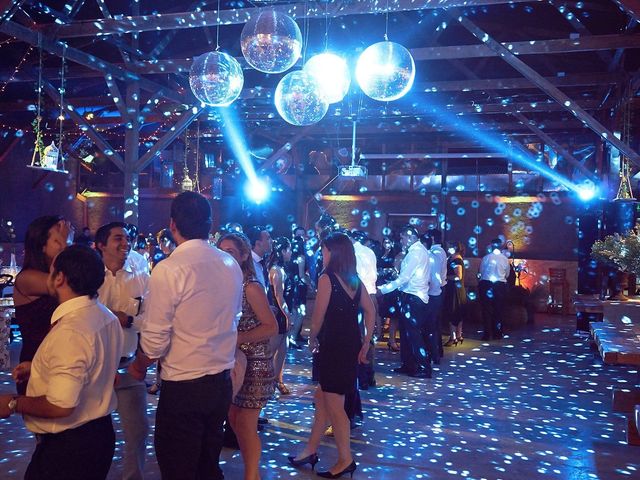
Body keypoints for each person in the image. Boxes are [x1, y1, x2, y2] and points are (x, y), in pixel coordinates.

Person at [129, 191, 243, 480]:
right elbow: (233, 316)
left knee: (179, 466)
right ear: (209, 224)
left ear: (173, 225)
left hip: (184, 387)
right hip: (220, 383)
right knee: (207, 463)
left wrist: (139, 364)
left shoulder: (169, 269)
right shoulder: (230, 265)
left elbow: (155, 340)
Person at [1, 245, 124, 480]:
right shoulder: (105, 316)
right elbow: (93, 367)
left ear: (59, 278)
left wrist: (13, 404)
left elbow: (61, 405)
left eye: (52, 269)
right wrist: (39, 369)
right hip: (99, 433)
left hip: (70, 448)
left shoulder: (72, 330)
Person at [288, 232, 375, 478]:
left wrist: (312, 337)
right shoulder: (353, 280)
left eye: (325, 250)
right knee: (323, 400)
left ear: (333, 252)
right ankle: (310, 450)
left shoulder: (327, 278)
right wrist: (366, 342)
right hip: (349, 345)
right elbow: (371, 311)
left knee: (334, 406)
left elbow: (318, 316)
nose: (322, 254)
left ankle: (345, 459)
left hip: (333, 346)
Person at [217, 232, 278, 480]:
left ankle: (252, 475)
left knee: (245, 423)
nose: (224, 255)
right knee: (233, 419)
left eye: (230, 251)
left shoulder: (250, 286)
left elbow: (271, 326)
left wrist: (237, 339)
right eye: (221, 250)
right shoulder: (222, 283)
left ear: (243, 256)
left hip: (255, 363)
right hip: (232, 361)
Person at [95, 222, 150, 480]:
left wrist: (128, 321)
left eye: (127, 238)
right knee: (92, 433)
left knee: (138, 432)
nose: (125, 243)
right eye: (118, 238)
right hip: (94, 369)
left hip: (128, 366)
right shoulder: (90, 274)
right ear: (101, 245)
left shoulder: (140, 272)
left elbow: (150, 317)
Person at [13, 215, 73, 395]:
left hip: (63, 359)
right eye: (58, 239)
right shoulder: (26, 278)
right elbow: (69, 286)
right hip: (35, 364)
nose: (65, 243)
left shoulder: (57, 272)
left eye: (67, 239)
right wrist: (66, 244)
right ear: (42, 247)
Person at [378, 225, 432, 378]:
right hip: (411, 296)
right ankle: (409, 364)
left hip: (414, 297)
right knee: (407, 333)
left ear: (411, 237)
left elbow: (404, 278)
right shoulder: (417, 251)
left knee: (413, 334)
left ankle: (423, 367)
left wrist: (383, 289)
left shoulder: (416, 253)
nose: (401, 241)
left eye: (402, 237)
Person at [350, 230, 378, 390]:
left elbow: (355, 278)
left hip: (360, 296)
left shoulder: (353, 253)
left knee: (359, 338)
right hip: (371, 294)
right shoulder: (370, 252)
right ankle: (369, 376)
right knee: (369, 336)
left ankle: (361, 378)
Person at [268, 237, 292, 395]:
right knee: (272, 349)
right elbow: (279, 296)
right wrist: (288, 315)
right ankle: (267, 382)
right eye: (289, 250)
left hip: (282, 312)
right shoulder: (276, 270)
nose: (290, 253)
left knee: (283, 348)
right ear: (283, 251)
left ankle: (278, 379)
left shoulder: (281, 269)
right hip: (278, 313)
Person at [479, 238, 510, 340]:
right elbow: (507, 274)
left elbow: (481, 272)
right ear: (500, 246)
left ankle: (487, 334)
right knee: (499, 310)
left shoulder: (486, 258)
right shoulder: (505, 259)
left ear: (491, 246)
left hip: (486, 284)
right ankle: (497, 333)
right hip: (500, 285)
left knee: (486, 310)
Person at [426, 229, 447, 364]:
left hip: (435, 290)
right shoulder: (441, 252)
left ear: (432, 238)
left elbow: (435, 275)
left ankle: (434, 354)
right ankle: (437, 351)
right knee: (435, 323)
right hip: (439, 289)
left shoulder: (435, 253)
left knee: (432, 324)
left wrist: (431, 291)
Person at [377, 236, 401, 351]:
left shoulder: (395, 255)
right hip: (379, 285)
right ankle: (378, 333)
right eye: (385, 242)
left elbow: (396, 272)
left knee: (393, 315)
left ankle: (392, 339)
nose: (386, 244)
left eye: (388, 242)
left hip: (391, 286)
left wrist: (387, 271)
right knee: (378, 311)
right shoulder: (379, 254)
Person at [444, 242, 467, 346]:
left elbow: (458, 276)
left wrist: (445, 277)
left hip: (454, 290)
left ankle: (453, 337)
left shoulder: (456, 259)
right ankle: (458, 335)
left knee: (453, 311)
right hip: (456, 289)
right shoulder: (454, 258)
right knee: (457, 312)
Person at [246, 226, 273, 290]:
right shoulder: (248, 264)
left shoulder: (262, 262)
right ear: (258, 243)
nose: (272, 241)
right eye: (268, 238)